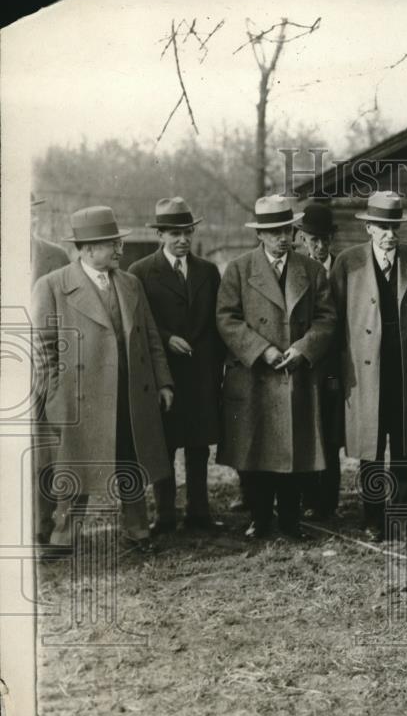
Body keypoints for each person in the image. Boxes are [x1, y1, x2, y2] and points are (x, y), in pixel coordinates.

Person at [32, 205, 174, 554]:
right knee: (76, 465)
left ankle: (138, 531)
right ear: (88, 248)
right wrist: (55, 393)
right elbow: (43, 348)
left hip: (130, 394)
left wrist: (163, 382)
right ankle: (64, 536)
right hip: (81, 397)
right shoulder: (53, 286)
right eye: (111, 243)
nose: (118, 248)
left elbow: (151, 337)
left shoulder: (130, 283)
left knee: (132, 461)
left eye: (116, 242)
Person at [216, 195, 336, 541]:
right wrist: (261, 350)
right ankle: (260, 518)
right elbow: (226, 318)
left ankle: (290, 520)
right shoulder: (239, 269)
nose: (282, 237)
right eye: (273, 232)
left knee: (294, 452)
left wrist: (302, 349)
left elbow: (327, 318)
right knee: (256, 451)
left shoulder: (311, 271)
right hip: (256, 375)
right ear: (260, 235)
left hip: (296, 374)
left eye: (286, 229)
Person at [330, 191, 407, 542]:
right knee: (370, 449)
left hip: (404, 371)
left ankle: (403, 517)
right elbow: (334, 321)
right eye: (383, 227)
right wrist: (337, 371)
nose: (390, 234)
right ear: (370, 228)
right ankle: (373, 518)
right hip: (364, 374)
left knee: (403, 447)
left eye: (395, 227)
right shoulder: (349, 264)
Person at [129, 197, 224, 535]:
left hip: (201, 374)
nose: (182, 239)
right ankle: (165, 514)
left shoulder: (209, 271)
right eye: (174, 234)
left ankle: (199, 512)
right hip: (164, 373)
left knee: (199, 448)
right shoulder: (140, 273)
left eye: (187, 232)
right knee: (164, 445)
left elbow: (219, 320)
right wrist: (167, 337)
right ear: (160, 235)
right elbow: (140, 321)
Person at [294, 202, 342, 522]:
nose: (320, 245)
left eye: (324, 239)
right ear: (302, 237)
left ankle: (330, 501)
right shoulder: (296, 269)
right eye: (313, 239)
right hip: (304, 363)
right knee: (305, 431)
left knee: (332, 435)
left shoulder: (344, 269)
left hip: (336, 365)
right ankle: (307, 498)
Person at [30, 193, 72, 545]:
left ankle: (43, 526)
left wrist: (52, 378)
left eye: (29, 213)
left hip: (42, 372)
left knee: (44, 455)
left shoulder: (55, 258)